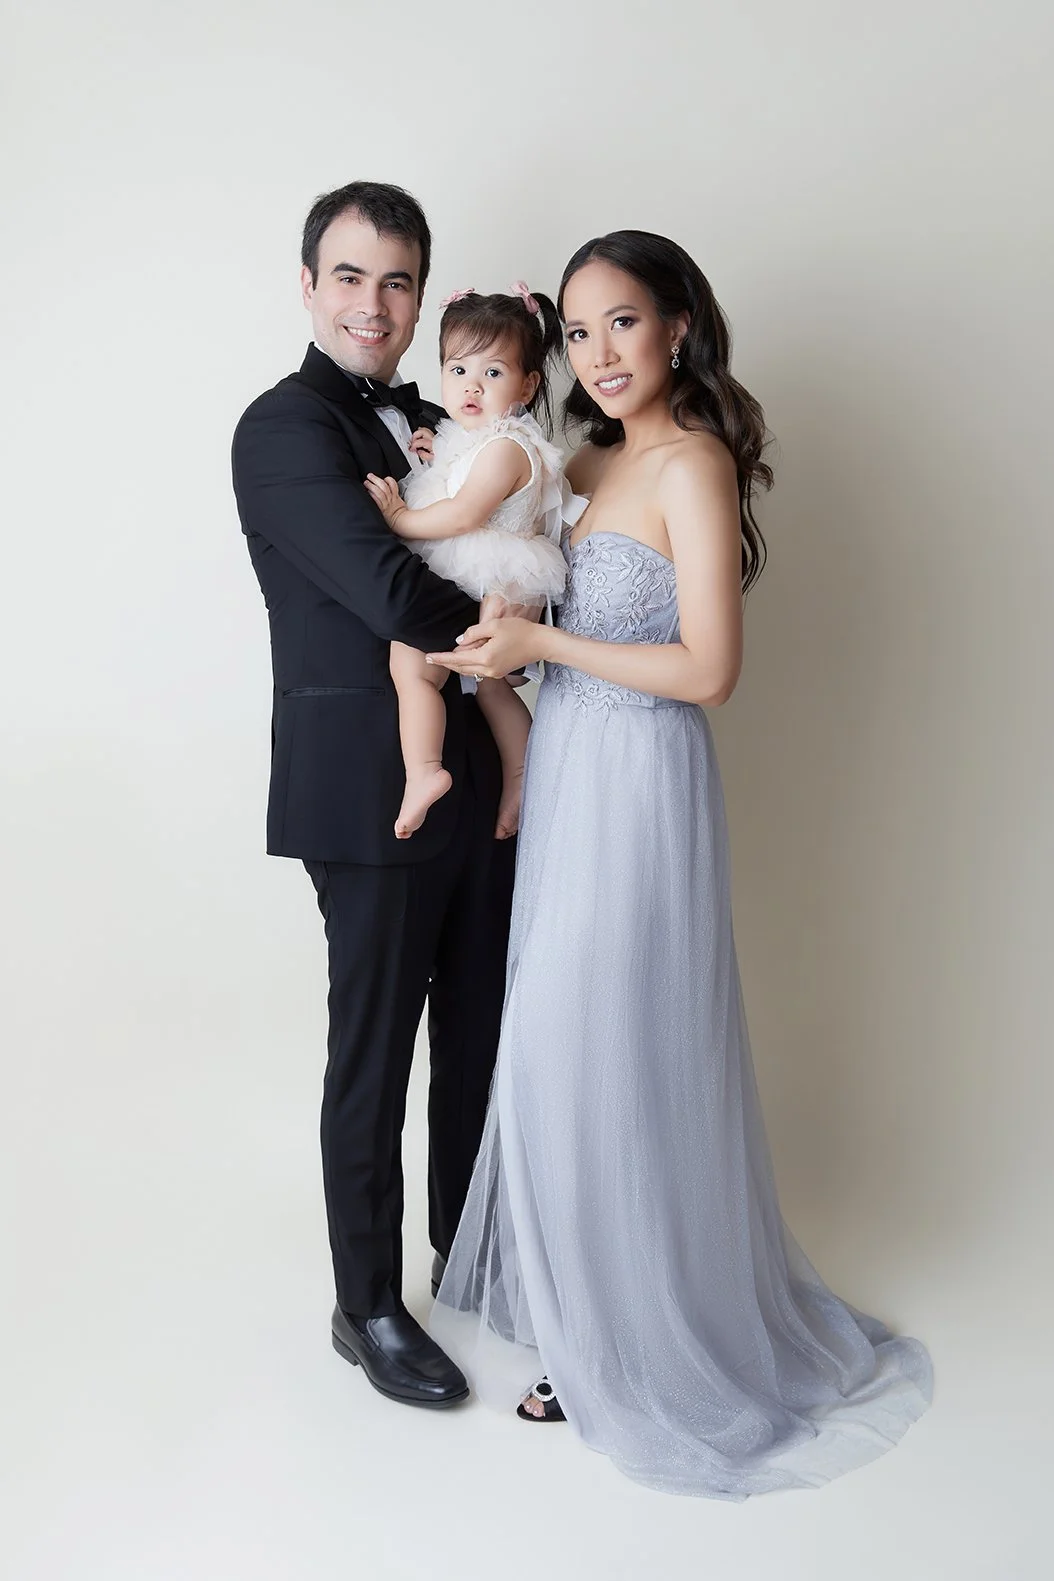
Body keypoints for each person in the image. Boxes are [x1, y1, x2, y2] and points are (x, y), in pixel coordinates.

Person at [428, 230, 933, 1496]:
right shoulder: (584, 459)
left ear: (678, 329)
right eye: (578, 330)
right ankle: (585, 1310)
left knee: (621, 1042)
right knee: (556, 1042)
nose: (598, 354)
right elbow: (520, 579)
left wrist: (545, 644)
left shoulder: (691, 463)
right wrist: (503, 633)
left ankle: (635, 1342)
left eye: (622, 322)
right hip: (568, 769)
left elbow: (709, 669)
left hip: (643, 780)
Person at [231, 182, 516, 1409]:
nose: (373, 302)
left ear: (418, 296)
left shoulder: (443, 417)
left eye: (397, 281)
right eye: (349, 276)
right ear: (308, 286)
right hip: (364, 787)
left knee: (482, 1031)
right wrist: (527, 636)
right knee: (376, 1053)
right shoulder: (282, 429)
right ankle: (368, 1306)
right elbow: (393, 595)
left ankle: (470, 1252)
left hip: (481, 775)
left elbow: (514, 517)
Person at [364, 283, 569, 842]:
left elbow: (463, 513)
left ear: (527, 385)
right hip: (491, 576)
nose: (471, 385)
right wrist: (437, 457)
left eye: (492, 372)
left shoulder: (506, 447)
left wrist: (400, 517)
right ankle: (518, 774)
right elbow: (458, 479)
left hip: (492, 573)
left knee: (414, 668)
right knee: (491, 687)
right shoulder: (476, 440)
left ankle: (426, 770)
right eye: (457, 370)